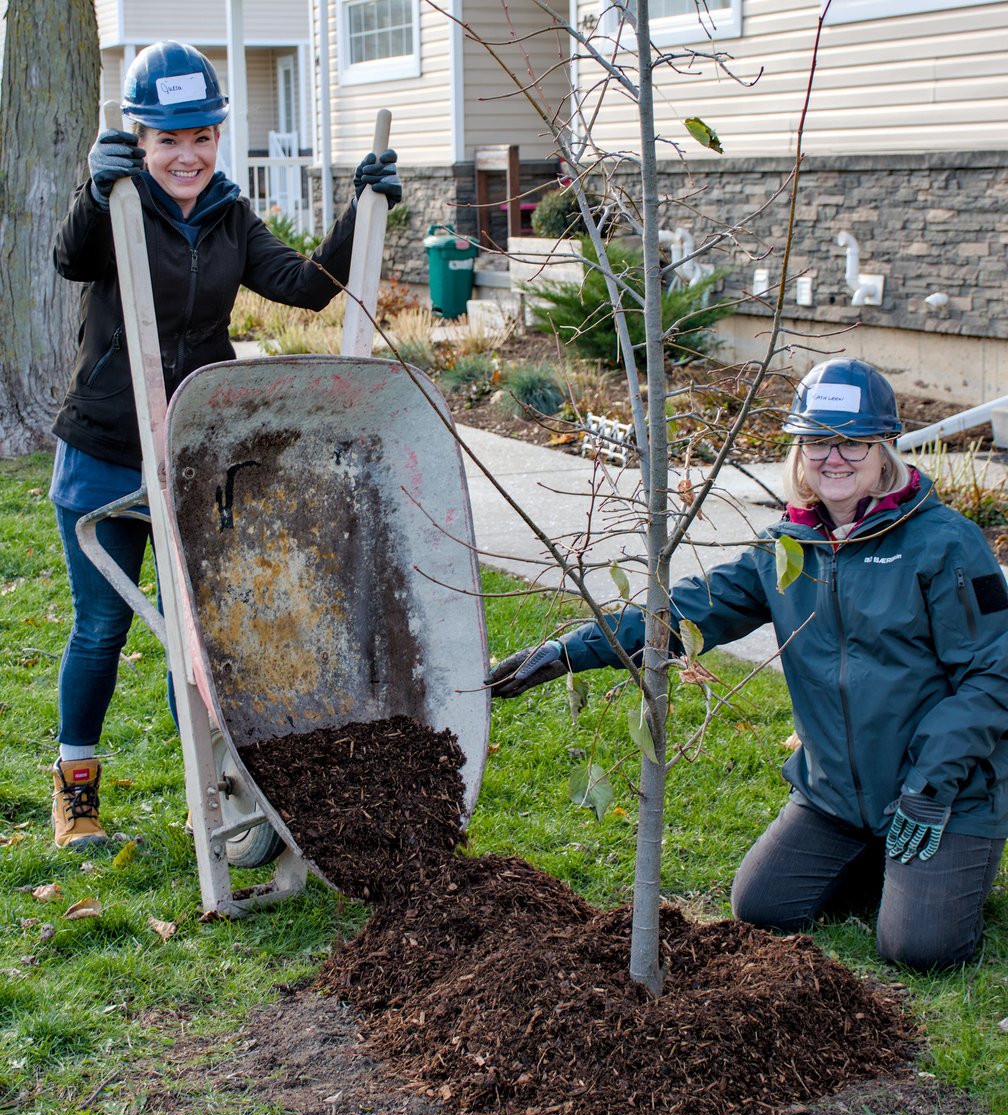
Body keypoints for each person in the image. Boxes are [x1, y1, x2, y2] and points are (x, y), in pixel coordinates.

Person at [487, 358, 1008, 971]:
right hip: (836, 793)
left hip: (944, 791)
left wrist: (928, 788)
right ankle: (879, 856)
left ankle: (930, 865)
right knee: (762, 907)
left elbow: (992, 677)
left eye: (852, 442)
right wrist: (570, 649)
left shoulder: (943, 543)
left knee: (917, 950)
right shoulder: (784, 549)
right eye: (817, 441)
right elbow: (682, 612)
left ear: (884, 446)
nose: (832, 458)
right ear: (799, 448)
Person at [49, 41, 402, 850]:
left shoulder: (230, 215)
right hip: (105, 448)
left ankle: (216, 789)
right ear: (139, 140)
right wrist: (96, 192)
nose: (187, 154)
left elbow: (307, 287)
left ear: (216, 136)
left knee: (199, 640)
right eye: (167, 139)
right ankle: (76, 790)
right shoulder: (120, 202)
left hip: (191, 451)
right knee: (101, 628)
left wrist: (362, 210)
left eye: (200, 135)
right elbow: (72, 259)